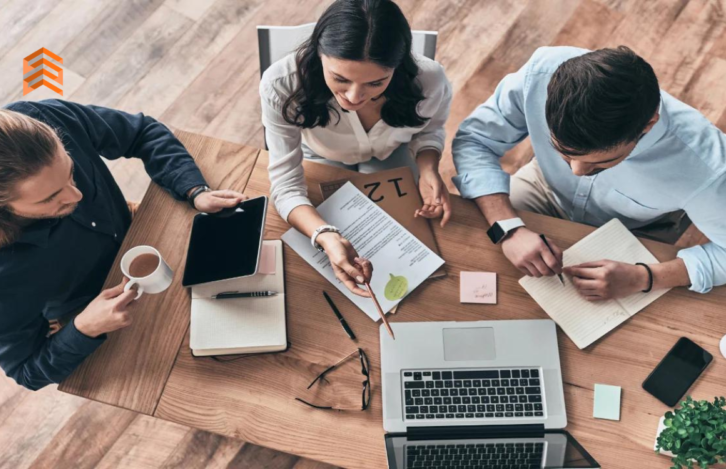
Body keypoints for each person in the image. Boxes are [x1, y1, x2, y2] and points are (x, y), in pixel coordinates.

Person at [0, 99, 247, 390]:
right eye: (49, 198)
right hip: (94, 308)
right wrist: (83, 328)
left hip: (141, 234)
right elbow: (26, 371)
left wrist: (194, 189)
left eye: (70, 171)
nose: (76, 196)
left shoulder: (41, 117)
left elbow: (141, 132)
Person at [453, 46, 726, 301]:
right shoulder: (540, 74)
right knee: (466, 256)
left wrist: (645, 276)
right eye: (563, 153)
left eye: (600, 163)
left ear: (648, 125)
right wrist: (508, 228)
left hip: (630, 229)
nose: (576, 171)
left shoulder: (707, 168)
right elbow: (475, 139)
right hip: (543, 187)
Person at [260, 0, 452, 296]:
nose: (354, 96)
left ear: (397, 66)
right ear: (319, 53)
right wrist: (324, 235)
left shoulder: (429, 79)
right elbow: (285, 186)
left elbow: (430, 130)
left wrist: (429, 167)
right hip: (321, 156)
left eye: (376, 82)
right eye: (340, 78)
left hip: (394, 154)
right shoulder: (281, 84)